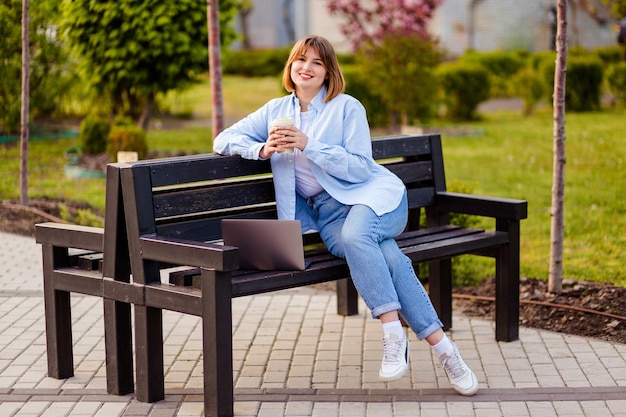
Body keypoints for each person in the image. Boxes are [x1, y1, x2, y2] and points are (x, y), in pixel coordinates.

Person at [213, 35, 479, 396]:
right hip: (328, 214)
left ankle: (391, 333)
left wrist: (308, 143)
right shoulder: (275, 111)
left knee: (358, 237)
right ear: (290, 66)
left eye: (317, 63)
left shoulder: (347, 107)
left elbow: (358, 168)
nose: (306, 68)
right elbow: (223, 139)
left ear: (328, 73)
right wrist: (260, 148)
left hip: (374, 198)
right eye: (300, 60)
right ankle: (446, 351)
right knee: (388, 256)